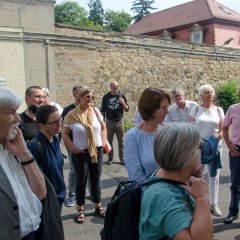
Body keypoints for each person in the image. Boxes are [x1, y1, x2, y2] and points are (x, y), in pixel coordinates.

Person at [139, 123, 212, 240]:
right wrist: (202, 197)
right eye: (199, 147)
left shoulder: (164, 173)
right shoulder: (165, 197)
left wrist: (192, 174)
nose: (201, 151)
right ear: (185, 155)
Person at [0, 87, 47, 239]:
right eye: (11, 112)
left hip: (35, 232)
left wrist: (24, 153)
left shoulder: (12, 149)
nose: (18, 119)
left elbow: (41, 193)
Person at [62, 86, 107, 223]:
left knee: (95, 180)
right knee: (81, 181)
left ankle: (97, 206)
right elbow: (64, 134)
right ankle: (80, 209)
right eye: (88, 96)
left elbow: (103, 128)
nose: (91, 99)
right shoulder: (72, 114)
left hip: (96, 151)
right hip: (80, 153)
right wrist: (73, 148)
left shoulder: (95, 111)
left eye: (92, 97)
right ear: (80, 98)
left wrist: (103, 142)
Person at [189, 84, 224, 216]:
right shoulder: (196, 109)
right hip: (199, 146)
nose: (211, 94)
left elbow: (222, 129)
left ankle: (214, 204)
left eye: (212, 92)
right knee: (198, 175)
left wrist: (215, 140)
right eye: (207, 92)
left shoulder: (219, 110)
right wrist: (200, 142)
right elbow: (191, 128)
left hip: (215, 146)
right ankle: (200, 202)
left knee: (214, 175)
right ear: (201, 95)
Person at [124, 87, 170, 182]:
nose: (167, 111)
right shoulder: (132, 137)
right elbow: (136, 177)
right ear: (151, 109)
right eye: (164, 108)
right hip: (150, 194)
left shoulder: (167, 130)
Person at [28, 105, 66, 212]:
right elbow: (33, 181)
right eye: (54, 122)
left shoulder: (55, 138)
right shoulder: (35, 147)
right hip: (46, 202)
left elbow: (58, 168)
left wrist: (64, 189)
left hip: (59, 196)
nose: (59, 124)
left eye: (59, 120)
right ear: (41, 125)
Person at [61, 85, 82, 207]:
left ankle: (86, 192)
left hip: (87, 145)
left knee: (88, 169)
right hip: (72, 143)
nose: (81, 96)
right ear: (74, 95)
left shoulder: (89, 109)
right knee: (74, 169)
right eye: (79, 93)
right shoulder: (68, 109)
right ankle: (72, 194)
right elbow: (63, 129)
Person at [222, 88, 240, 224]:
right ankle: (233, 212)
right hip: (236, 150)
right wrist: (229, 145)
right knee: (235, 184)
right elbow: (224, 127)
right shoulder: (233, 108)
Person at [101, 81, 129, 165]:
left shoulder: (121, 96)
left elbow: (127, 109)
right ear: (110, 87)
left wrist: (123, 102)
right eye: (114, 87)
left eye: (117, 86)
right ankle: (110, 158)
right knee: (109, 141)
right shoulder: (106, 97)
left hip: (119, 122)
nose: (116, 88)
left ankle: (122, 159)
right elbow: (102, 110)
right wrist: (102, 122)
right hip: (109, 122)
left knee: (121, 142)